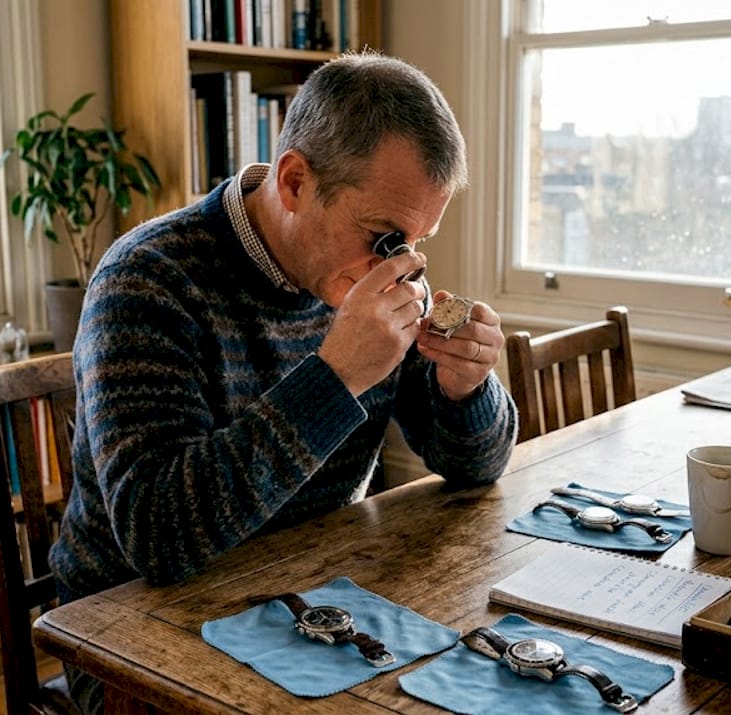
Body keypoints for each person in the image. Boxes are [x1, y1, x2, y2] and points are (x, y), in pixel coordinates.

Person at [49, 51, 517, 712]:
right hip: (135, 633)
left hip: (315, 594)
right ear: (295, 181)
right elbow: (159, 537)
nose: (406, 265)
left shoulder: (371, 272)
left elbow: (476, 467)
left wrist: (467, 389)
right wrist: (334, 378)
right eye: (387, 236)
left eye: (418, 240)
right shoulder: (147, 280)